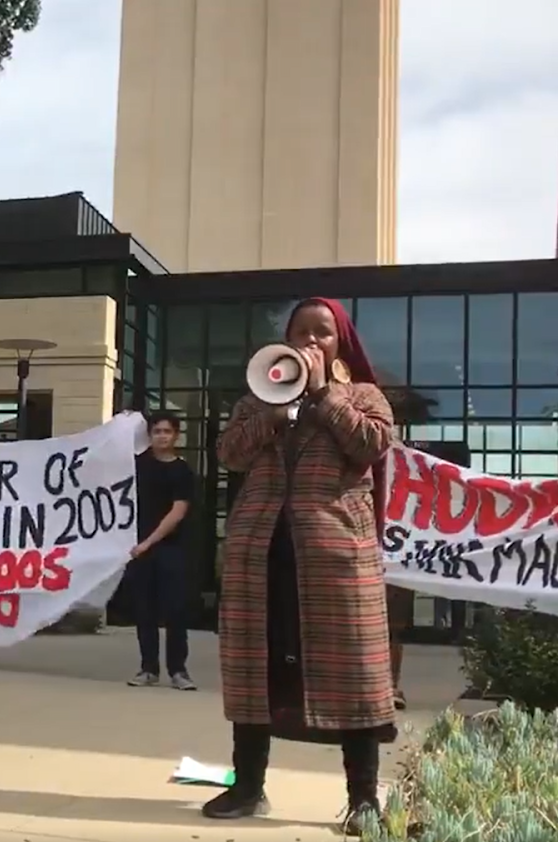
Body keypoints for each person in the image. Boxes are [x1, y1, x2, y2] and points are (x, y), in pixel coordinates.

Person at [204, 297, 396, 833]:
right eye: (301, 332)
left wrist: (324, 396)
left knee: (353, 673)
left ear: (341, 344)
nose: (312, 341)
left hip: (336, 557)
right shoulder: (257, 397)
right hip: (261, 552)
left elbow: (373, 445)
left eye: (324, 333)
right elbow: (231, 454)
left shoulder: (363, 396)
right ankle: (247, 787)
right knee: (254, 668)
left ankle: (363, 800)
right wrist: (272, 410)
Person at [125, 411, 197, 691]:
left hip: (171, 550)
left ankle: (178, 670)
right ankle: (148, 669)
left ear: (176, 435)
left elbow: (177, 512)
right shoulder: (137, 465)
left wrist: (148, 542)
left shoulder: (182, 471)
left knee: (175, 611)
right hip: (139, 551)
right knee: (145, 611)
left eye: (167, 431)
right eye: (157, 431)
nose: (162, 436)